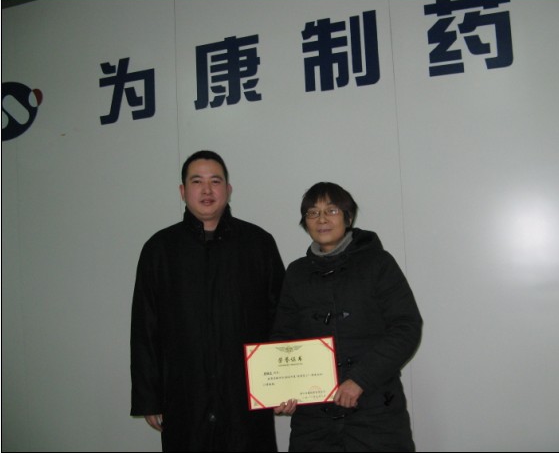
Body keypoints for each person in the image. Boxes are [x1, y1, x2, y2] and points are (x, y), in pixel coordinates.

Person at [130, 150, 285, 452]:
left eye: (215, 181)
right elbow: (145, 327)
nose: (207, 190)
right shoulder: (160, 249)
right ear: (182, 191)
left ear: (228, 189)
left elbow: (281, 317)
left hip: (245, 397)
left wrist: (282, 384)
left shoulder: (258, 243)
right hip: (185, 397)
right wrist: (149, 397)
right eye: (196, 181)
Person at [272, 182, 422, 452]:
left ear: (348, 217)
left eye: (331, 210)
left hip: (375, 412)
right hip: (314, 422)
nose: (321, 219)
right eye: (312, 213)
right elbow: (284, 337)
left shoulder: (379, 263)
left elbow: (406, 327)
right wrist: (282, 388)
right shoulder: (296, 273)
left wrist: (360, 380)